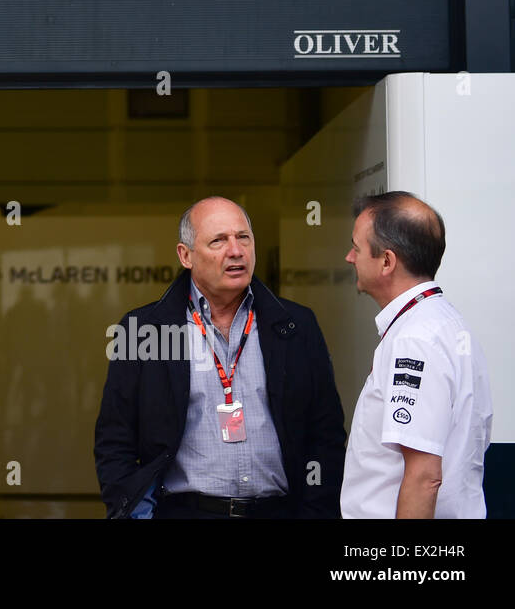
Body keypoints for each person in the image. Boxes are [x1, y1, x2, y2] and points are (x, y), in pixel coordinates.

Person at [94, 197, 346, 518]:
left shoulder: (296, 326)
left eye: (243, 237)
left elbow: (326, 435)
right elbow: (114, 440)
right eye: (218, 241)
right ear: (186, 255)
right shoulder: (144, 330)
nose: (236, 250)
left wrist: (315, 512)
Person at [340, 192, 492, 518]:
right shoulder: (445, 324)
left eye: (356, 247)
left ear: (387, 262)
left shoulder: (415, 339)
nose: (349, 258)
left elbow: (424, 477)